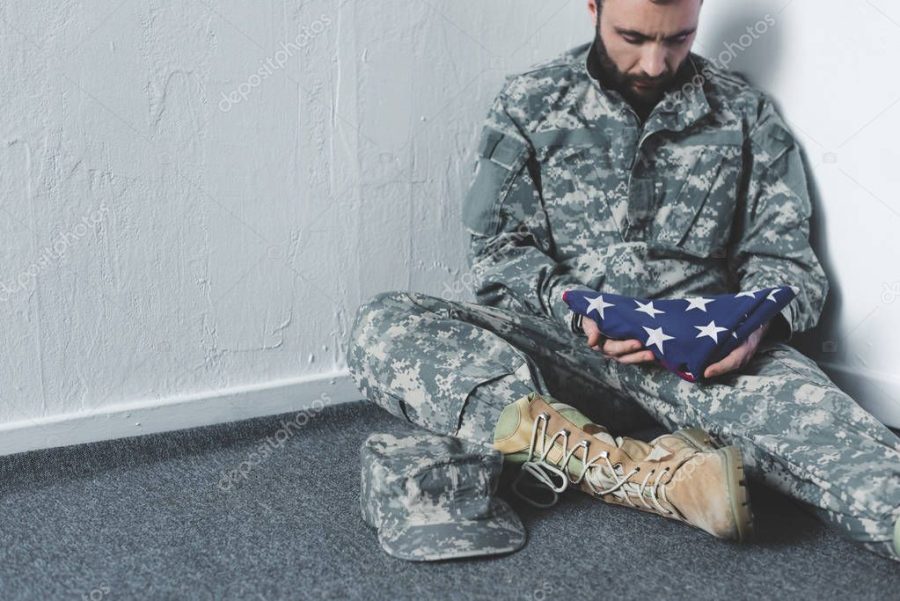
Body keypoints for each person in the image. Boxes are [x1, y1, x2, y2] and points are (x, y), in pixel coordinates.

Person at [347, 0, 900, 561]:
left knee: (860, 460)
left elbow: (788, 264)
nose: (656, 63)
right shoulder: (528, 103)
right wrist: (575, 309)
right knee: (387, 322)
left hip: (704, 361)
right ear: (593, 7)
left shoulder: (743, 113)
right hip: (564, 353)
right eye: (633, 37)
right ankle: (641, 475)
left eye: (678, 38)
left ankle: (593, 456)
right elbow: (496, 254)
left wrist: (752, 327)